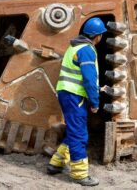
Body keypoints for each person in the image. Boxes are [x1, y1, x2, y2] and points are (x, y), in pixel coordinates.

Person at [46, 17, 107, 186]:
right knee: (80, 134)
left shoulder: (74, 46)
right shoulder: (87, 50)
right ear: (98, 36)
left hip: (67, 93)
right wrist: (95, 102)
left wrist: (97, 88)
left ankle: (55, 164)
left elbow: (79, 76)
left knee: (74, 131)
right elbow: (88, 79)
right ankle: (80, 174)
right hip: (75, 96)